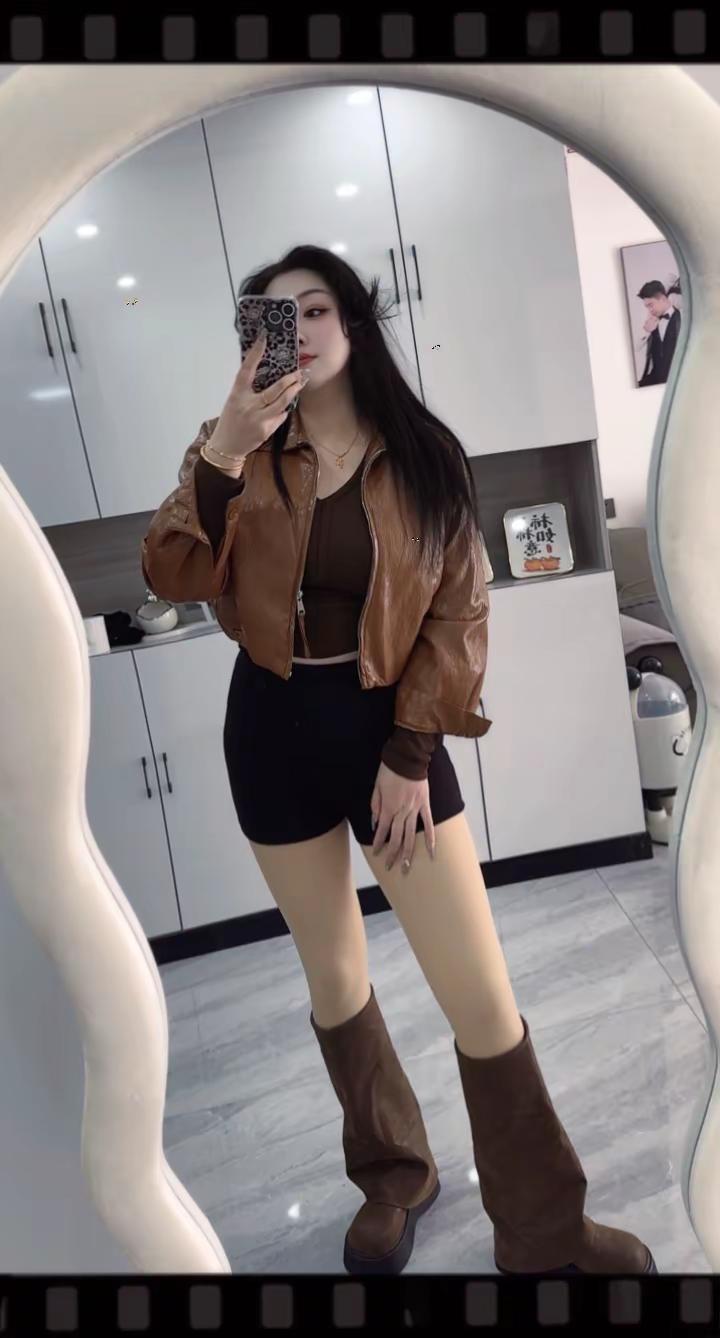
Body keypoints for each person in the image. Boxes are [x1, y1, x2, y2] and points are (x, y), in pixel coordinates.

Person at [142, 244, 657, 1278]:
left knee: (478, 992)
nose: (297, 330)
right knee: (334, 975)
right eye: (273, 317)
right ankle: (394, 1175)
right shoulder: (234, 451)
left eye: (314, 308)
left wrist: (413, 752)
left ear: (355, 322)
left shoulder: (422, 452)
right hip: (270, 728)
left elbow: (460, 610)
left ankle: (543, 1227)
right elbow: (173, 572)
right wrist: (223, 452)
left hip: (389, 731)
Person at [636, 279, 681, 387]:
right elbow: (636, 349)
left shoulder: (683, 318)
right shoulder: (651, 323)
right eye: (647, 307)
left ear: (663, 299)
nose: (649, 310)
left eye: (651, 305)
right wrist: (647, 331)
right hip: (654, 381)